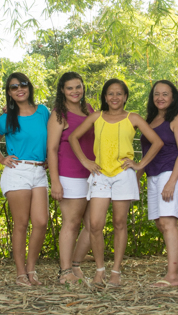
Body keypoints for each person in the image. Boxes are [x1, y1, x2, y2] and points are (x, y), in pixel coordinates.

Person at [68, 78, 163, 288]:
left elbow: (157, 142)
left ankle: (115, 272)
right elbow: (73, 137)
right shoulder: (96, 116)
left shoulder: (133, 118)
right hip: (100, 174)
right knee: (95, 225)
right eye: (110, 93)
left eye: (119, 93)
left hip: (123, 175)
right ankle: (100, 270)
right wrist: (85, 161)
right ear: (105, 96)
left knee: (120, 223)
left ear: (125, 97)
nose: (114, 97)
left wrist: (140, 164)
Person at [0, 72, 51, 287]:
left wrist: (50, 158)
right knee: (20, 224)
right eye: (14, 87)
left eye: (23, 84)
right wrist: (1, 158)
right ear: (9, 93)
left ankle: (31, 269)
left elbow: (54, 136)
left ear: (29, 87)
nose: (19, 89)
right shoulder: (6, 118)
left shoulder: (43, 111)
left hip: (40, 171)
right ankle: (21, 273)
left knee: (41, 222)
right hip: (17, 171)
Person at [138, 80, 178, 287]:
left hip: (172, 172)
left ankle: (172, 276)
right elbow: (146, 154)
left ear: (173, 97)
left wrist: (171, 182)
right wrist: (137, 177)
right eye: (156, 94)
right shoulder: (150, 120)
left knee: (168, 222)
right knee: (161, 224)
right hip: (153, 174)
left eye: (165, 94)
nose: (160, 98)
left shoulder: (177, 118)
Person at [46, 71, 95, 284]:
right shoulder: (59, 114)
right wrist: (55, 181)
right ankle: (65, 272)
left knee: (94, 225)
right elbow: (51, 149)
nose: (75, 91)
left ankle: (75, 265)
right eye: (70, 88)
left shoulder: (89, 109)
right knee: (72, 223)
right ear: (62, 91)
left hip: (93, 174)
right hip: (69, 174)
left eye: (78, 87)